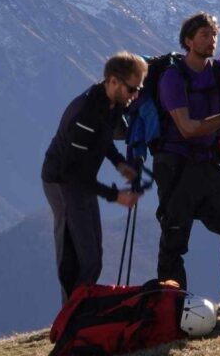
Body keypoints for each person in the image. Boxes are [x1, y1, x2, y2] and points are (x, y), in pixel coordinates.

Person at [154, 12, 220, 313]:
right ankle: (173, 308)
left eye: (213, 35)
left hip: (207, 162)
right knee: (175, 235)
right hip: (175, 165)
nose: (211, 41)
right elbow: (187, 128)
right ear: (188, 41)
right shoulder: (173, 77)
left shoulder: (219, 68)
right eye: (204, 35)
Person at [41, 52, 146, 303]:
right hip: (62, 182)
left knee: (93, 256)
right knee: (78, 257)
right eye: (132, 88)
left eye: (138, 88)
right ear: (113, 81)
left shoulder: (112, 103)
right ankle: (72, 317)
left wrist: (119, 162)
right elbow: (72, 173)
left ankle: (79, 312)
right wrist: (115, 195)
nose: (135, 95)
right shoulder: (86, 115)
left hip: (80, 180)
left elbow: (103, 138)